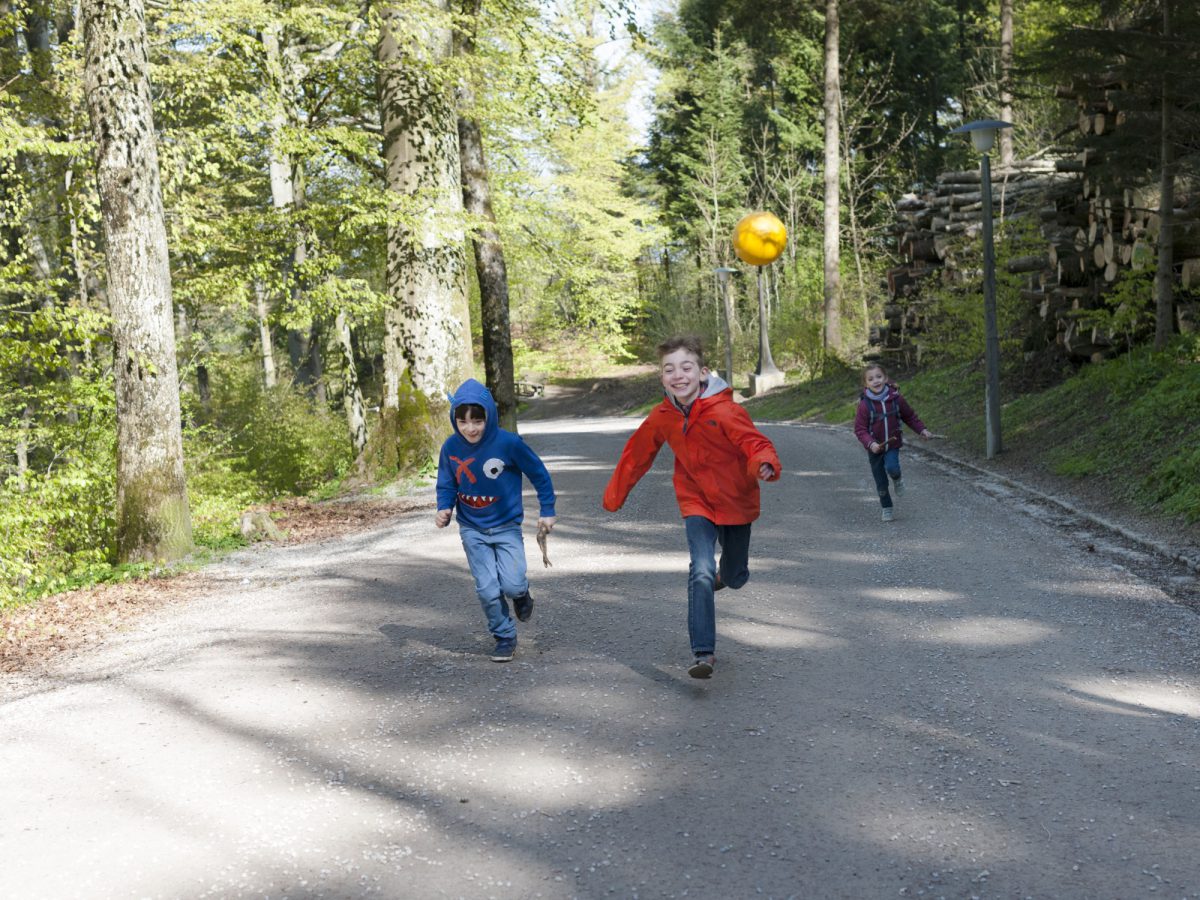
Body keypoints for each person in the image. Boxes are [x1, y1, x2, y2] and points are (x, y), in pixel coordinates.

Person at [602, 336, 781, 679]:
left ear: (703, 373)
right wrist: (615, 495)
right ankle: (704, 654)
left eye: (686, 367)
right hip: (695, 500)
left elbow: (753, 441)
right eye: (669, 369)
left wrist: (763, 462)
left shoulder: (726, 410)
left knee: (734, 575)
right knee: (699, 569)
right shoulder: (663, 415)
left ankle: (724, 578)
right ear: (662, 378)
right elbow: (636, 454)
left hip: (735, 501)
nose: (678, 375)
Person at [435, 378, 556, 662]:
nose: (471, 428)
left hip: (506, 526)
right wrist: (444, 508)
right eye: (463, 422)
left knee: (512, 585)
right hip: (472, 529)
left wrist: (547, 509)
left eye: (477, 420)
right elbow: (447, 483)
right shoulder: (451, 447)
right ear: (454, 420)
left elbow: (539, 473)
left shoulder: (508, 443)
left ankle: (522, 595)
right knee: (488, 590)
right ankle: (504, 636)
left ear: (489, 414)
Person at [852, 363, 932, 522]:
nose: (876, 381)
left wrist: (922, 430)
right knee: (881, 482)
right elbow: (860, 430)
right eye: (871, 379)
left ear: (885, 378)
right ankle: (886, 507)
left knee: (892, 468)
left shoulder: (896, 399)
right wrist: (870, 444)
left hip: (892, 445)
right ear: (865, 383)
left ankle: (897, 479)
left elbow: (909, 416)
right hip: (875, 449)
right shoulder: (864, 405)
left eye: (879, 377)